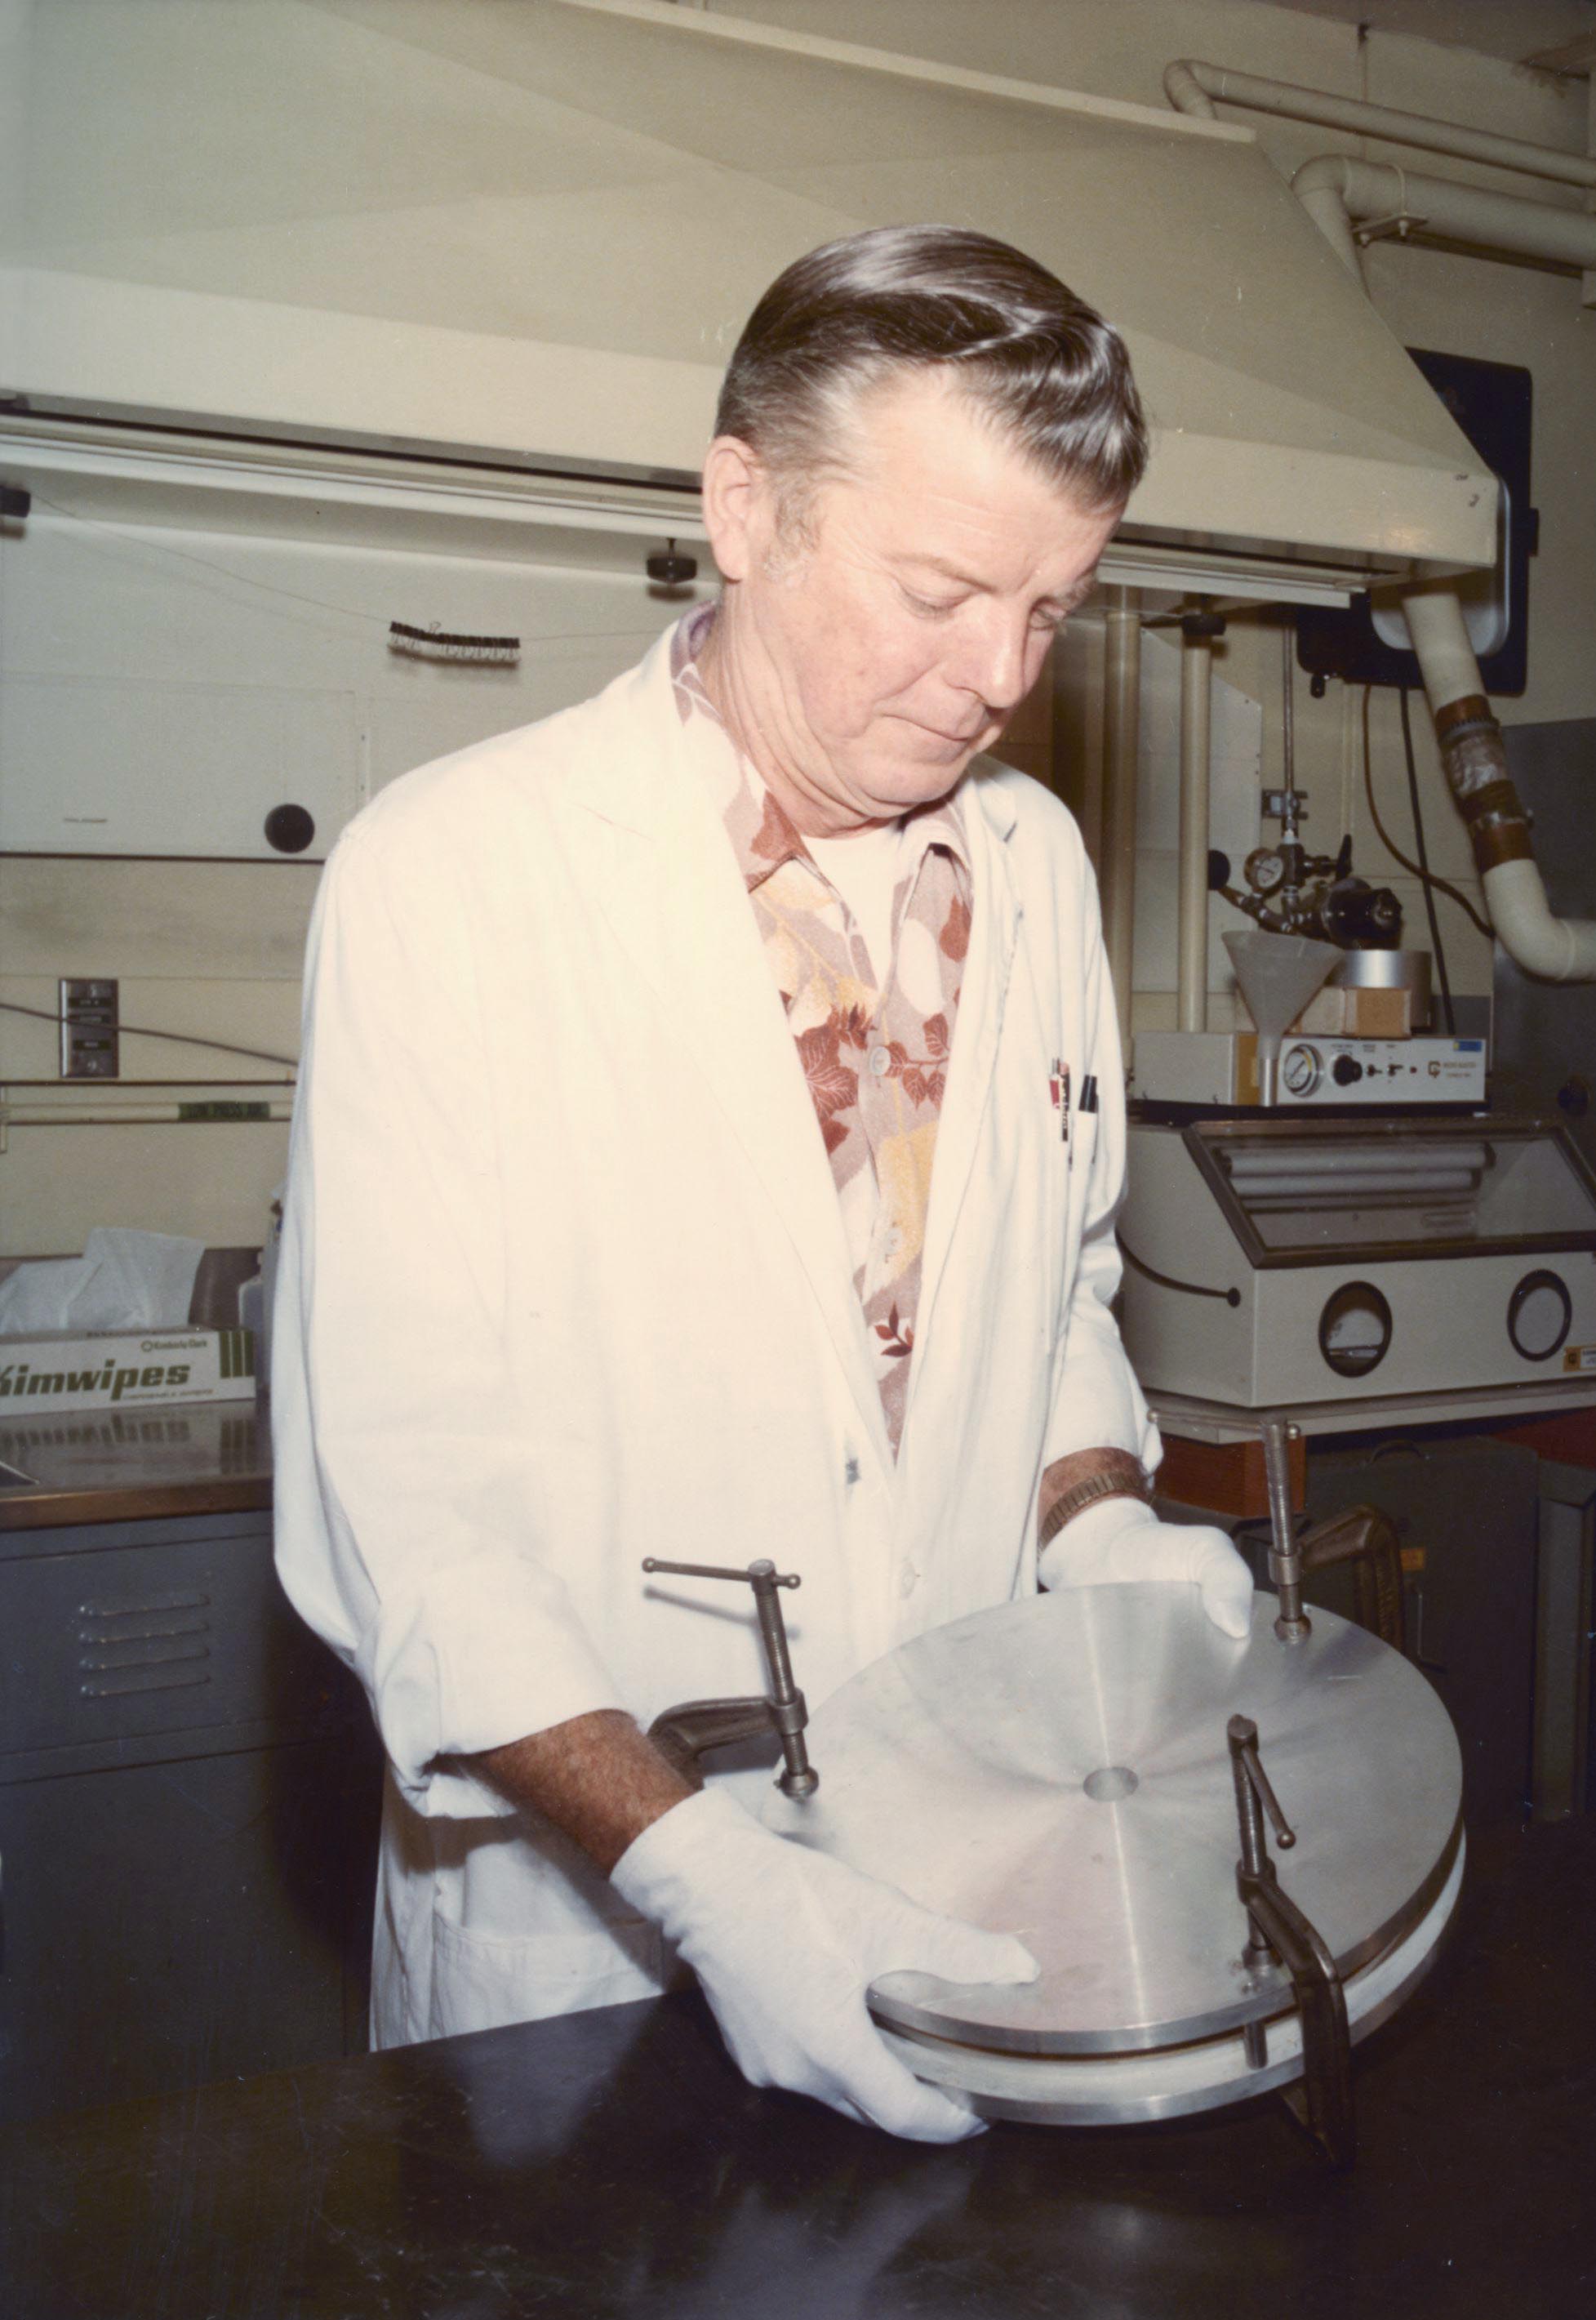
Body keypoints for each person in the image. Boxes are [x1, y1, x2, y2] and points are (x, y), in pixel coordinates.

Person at [273, 225, 1253, 2144]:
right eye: (941, 591)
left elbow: (1047, 1301)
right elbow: (411, 1515)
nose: (994, 679)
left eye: (1052, 611)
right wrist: (704, 1882)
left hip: (972, 1876)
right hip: (579, 1952)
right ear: (745, 507)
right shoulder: (454, 877)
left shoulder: (1033, 871)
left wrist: (1097, 1523)